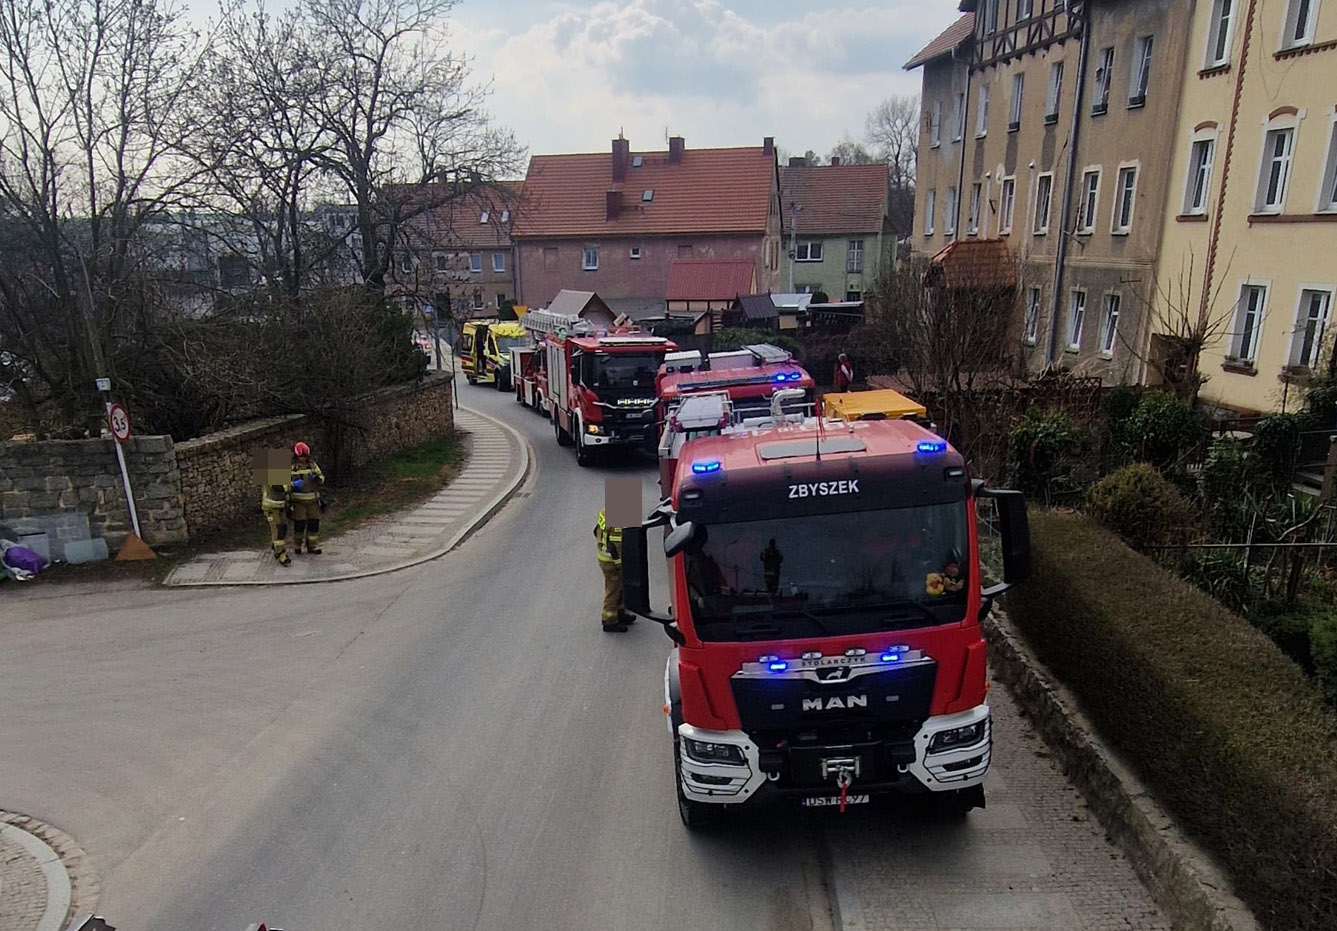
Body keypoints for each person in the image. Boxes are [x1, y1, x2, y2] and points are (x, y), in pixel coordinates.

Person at [594, 508, 632, 633]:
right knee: (613, 591)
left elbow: (596, 531)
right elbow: (617, 545)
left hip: (606, 557)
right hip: (611, 561)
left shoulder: (605, 511)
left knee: (620, 588)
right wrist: (621, 564)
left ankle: (620, 613)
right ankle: (609, 621)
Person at [289, 441, 326, 554]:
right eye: (301, 456)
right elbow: (283, 484)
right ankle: (297, 546)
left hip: (313, 501)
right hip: (298, 501)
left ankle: (312, 546)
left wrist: (317, 478)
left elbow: (322, 478)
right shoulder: (292, 467)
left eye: (305, 456)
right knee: (299, 524)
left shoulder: (312, 465)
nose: (303, 459)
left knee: (314, 523)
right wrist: (293, 484)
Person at [261, 477, 291, 566]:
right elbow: (278, 487)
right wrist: (292, 485)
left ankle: (277, 547)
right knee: (278, 530)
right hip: (270, 507)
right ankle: (280, 553)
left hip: (280, 506)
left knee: (283, 527)